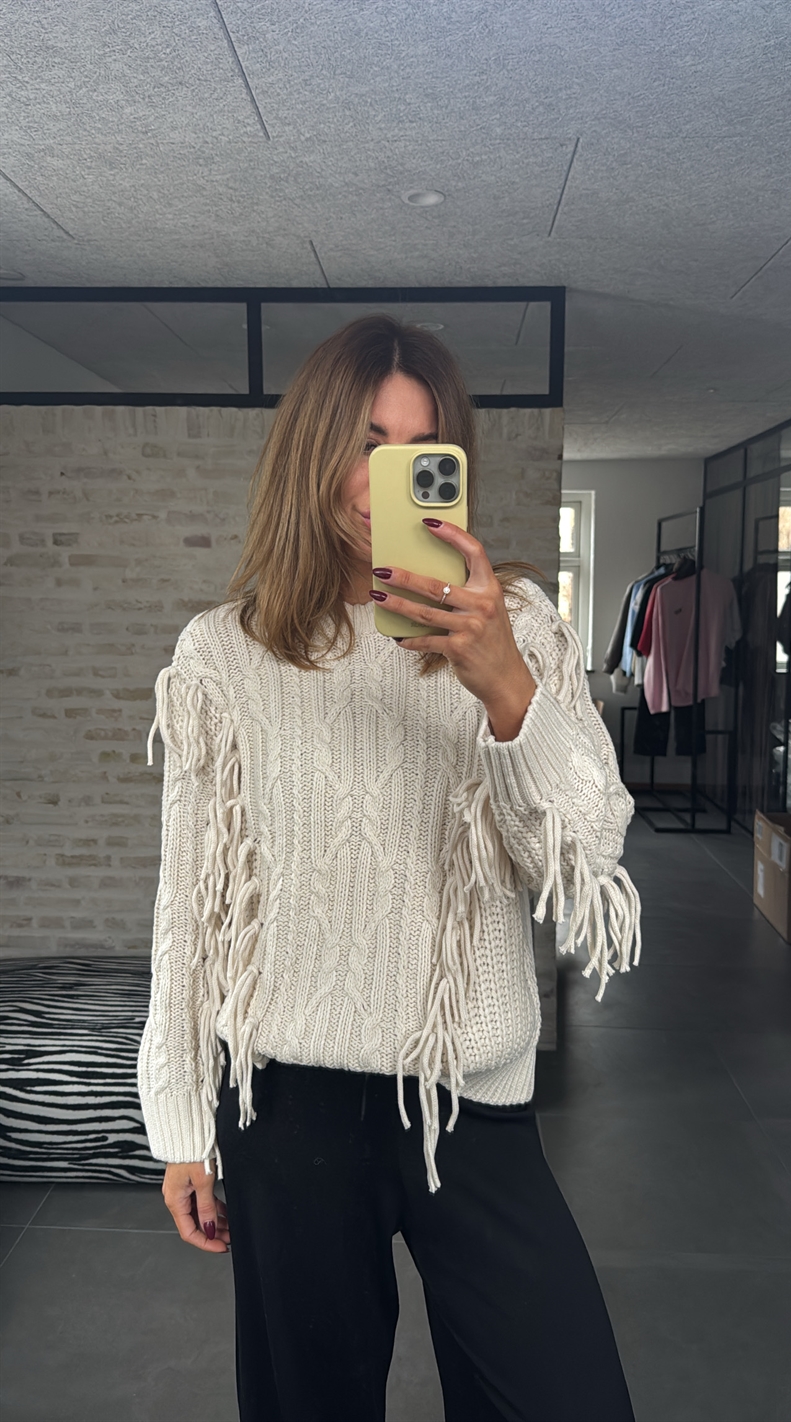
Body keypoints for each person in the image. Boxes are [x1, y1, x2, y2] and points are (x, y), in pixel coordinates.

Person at [137, 314, 641, 1421]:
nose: (385, 483)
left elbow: (585, 852)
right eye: (365, 444)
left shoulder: (515, 627)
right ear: (311, 447)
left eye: (419, 452)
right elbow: (190, 907)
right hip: (291, 1103)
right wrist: (178, 1122)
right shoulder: (224, 653)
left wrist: (506, 690)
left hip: (470, 1095)